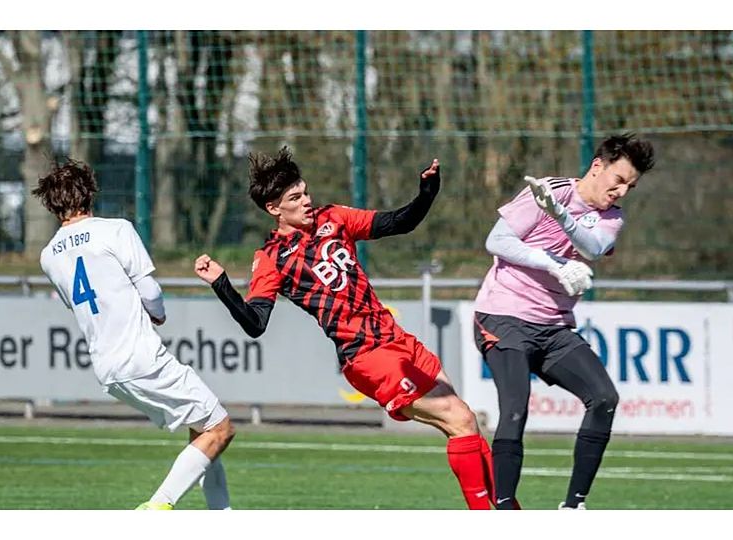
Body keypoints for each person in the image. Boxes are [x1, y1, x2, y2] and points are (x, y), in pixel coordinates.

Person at [195, 147, 508, 510]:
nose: (307, 201)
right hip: (366, 356)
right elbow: (255, 323)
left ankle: (506, 511)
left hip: (397, 340)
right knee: (460, 417)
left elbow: (398, 222)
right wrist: (221, 284)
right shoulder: (271, 258)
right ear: (274, 209)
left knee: (465, 427)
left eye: (306, 192)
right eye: (295, 198)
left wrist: (427, 193)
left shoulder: (334, 218)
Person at [33, 159, 235, 510]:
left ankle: (223, 518)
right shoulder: (115, 230)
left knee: (202, 431)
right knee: (220, 428)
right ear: (90, 192)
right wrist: (158, 315)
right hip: (141, 356)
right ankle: (157, 508)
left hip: (107, 367)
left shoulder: (49, 256)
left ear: (51, 204)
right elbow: (151, 293)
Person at [472, 133, 655, 509]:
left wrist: (560, 215)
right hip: (503, 315)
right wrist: (554, 263)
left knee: (604, 398)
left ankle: (573, 507)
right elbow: (497, 241)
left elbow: (592, 247)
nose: (621, 192)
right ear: (597, 166)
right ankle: (504, 510)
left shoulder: (611, 218)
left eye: (630, 187)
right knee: (516, 408)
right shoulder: (547, 190)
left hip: (554, 326)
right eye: (618, 180)